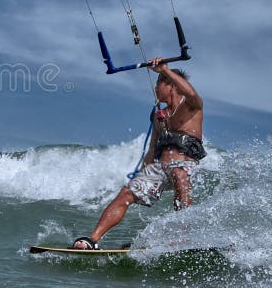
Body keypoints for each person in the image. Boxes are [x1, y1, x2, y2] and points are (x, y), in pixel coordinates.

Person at [72, 57, 205, 250]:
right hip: (160, 168)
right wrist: (144, 172)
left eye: (159, 84)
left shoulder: (191, 106)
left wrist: (165, 71)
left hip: (185, 165)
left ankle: (181, 239)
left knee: (179, 174)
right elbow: (152, 147)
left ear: (171, 85)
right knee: (127, 192)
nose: (155, 89)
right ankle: (92, 240)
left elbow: (191, 93)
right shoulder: (159, 115)